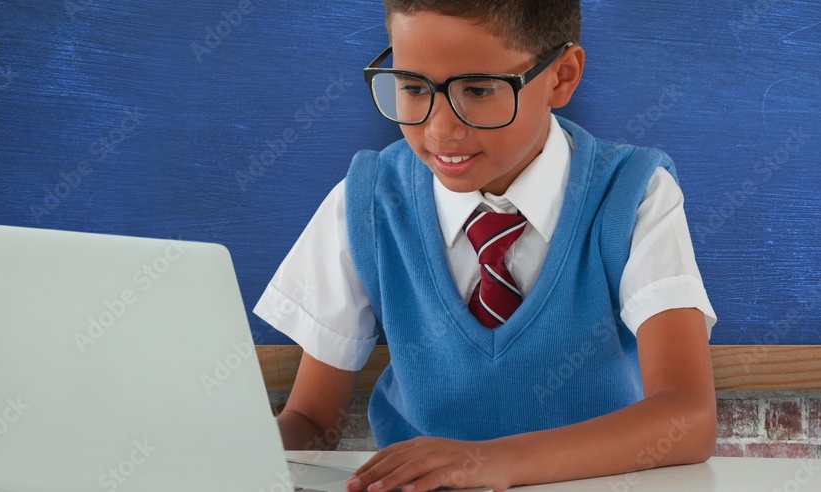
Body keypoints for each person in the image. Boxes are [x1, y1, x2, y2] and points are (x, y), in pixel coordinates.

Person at [253, 1, 718, 491]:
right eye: (412, 88)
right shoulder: (367, 201)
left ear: (561, 76)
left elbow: (687, 417)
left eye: (477, 90)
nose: (439, 129)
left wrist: (493, 462)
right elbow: (309, 420)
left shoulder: (634, 194)